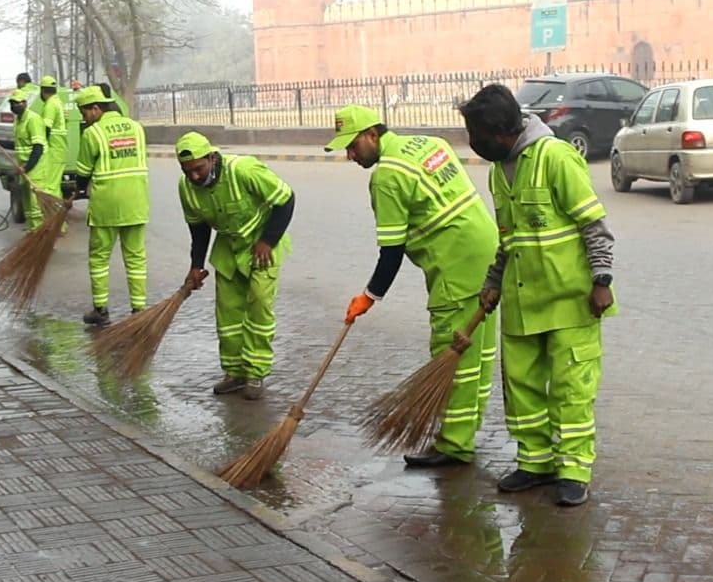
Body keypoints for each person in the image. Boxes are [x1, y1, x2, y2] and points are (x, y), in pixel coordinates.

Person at [459, 83, 617, 508]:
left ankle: (573, 470)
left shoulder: (556, 158)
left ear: (499, 132)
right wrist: (493, 283)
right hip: (522, 303)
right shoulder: (499, 171)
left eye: (475, 135)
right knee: (523, 389)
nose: (472, 144)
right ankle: (536, 462)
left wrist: (602, 280)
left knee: (571, 390)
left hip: (570, 301)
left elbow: (594, 226)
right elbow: (508, 239)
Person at [329, 104, 500, 468]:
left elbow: (390, 252)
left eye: (353, 146)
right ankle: (465, 435)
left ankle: (454, 445)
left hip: (453, 262)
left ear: (372, 135)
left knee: (450, 351)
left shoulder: (387, 177)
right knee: (478, 352)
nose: (350, 155)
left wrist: (369, 296)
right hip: (485, 248)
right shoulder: (428, 142)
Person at [177, 132, 295, 400]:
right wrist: (196, 265)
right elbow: (198, 228)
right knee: (228, 314)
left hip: (261, 247)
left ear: (211, 157)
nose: (194, 177)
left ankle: (255, 373)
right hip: (228, 248)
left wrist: (267, 240)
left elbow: (286, 199)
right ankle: (234, 373)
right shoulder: (187, 188)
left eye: (199, 168)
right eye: (187, 171)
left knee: (259, 308)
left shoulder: (243, 169)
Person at [73, 86, 149, 325]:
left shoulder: (92, 134)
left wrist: (77, 192)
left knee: (99, 258)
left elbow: (83, 172)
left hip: (107, 205)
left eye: (84, 112)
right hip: (136, 201)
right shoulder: (136, 128)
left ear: (96, 108)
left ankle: (101, 310)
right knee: (136, 258)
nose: (83, 118)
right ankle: (139, 310)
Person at [9, 88, 51, 232]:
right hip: (25, 168)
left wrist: (26, 168)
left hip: (36, 169)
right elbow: (18, 144)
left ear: (25, 103)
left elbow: (38, 148)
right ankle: (33, 232)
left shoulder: (33, 119)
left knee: (36, 206)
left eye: (18, 103)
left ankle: (41, 236)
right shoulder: (18, 121)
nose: (15, 106)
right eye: (12, 103)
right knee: (28, 207)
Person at [39, 76, 68, 194]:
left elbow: (46, 127)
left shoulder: (50, 104)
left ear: (42, 90)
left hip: (54, 150)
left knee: (51, 186)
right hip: (60, 150)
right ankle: (58, 211)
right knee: (55, 185)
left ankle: (54, 211)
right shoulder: (59, 102)